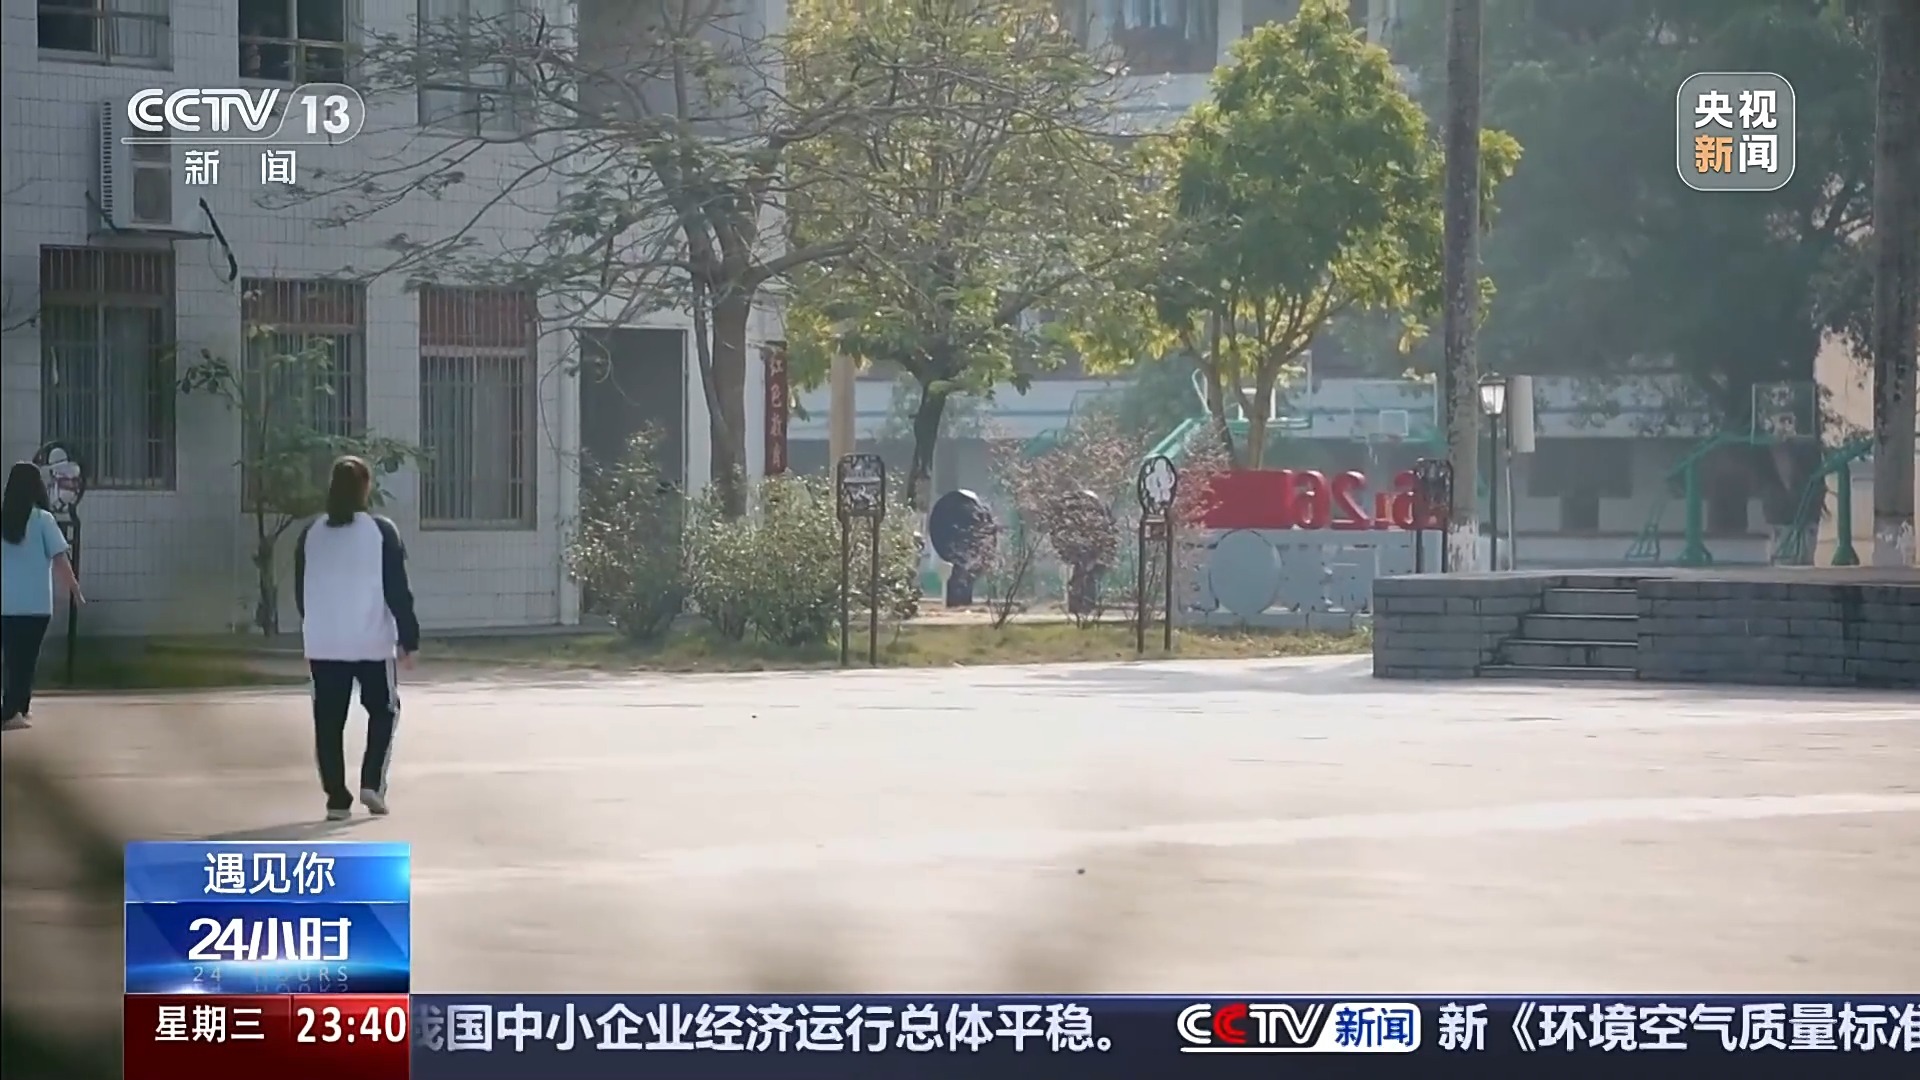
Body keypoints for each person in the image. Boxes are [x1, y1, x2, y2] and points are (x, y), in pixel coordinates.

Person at [294, 455, 420, 821]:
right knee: (384, 710)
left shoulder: (311, 533)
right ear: (366, 488)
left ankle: (336, 799)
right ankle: (371, 783)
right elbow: (398, 590)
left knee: (328, 722)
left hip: (325, 643)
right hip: (370, 641)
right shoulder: (381, 532)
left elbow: (302, 592)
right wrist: (409, 638)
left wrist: (315, 626)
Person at [1, 462, 85, 731]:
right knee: (26, 659)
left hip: (5, 603)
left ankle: (15, 708)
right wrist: (74, 589)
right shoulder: (43, 520)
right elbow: (60, 559)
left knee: (11, 659)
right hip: (36, 604)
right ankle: (14, 710)